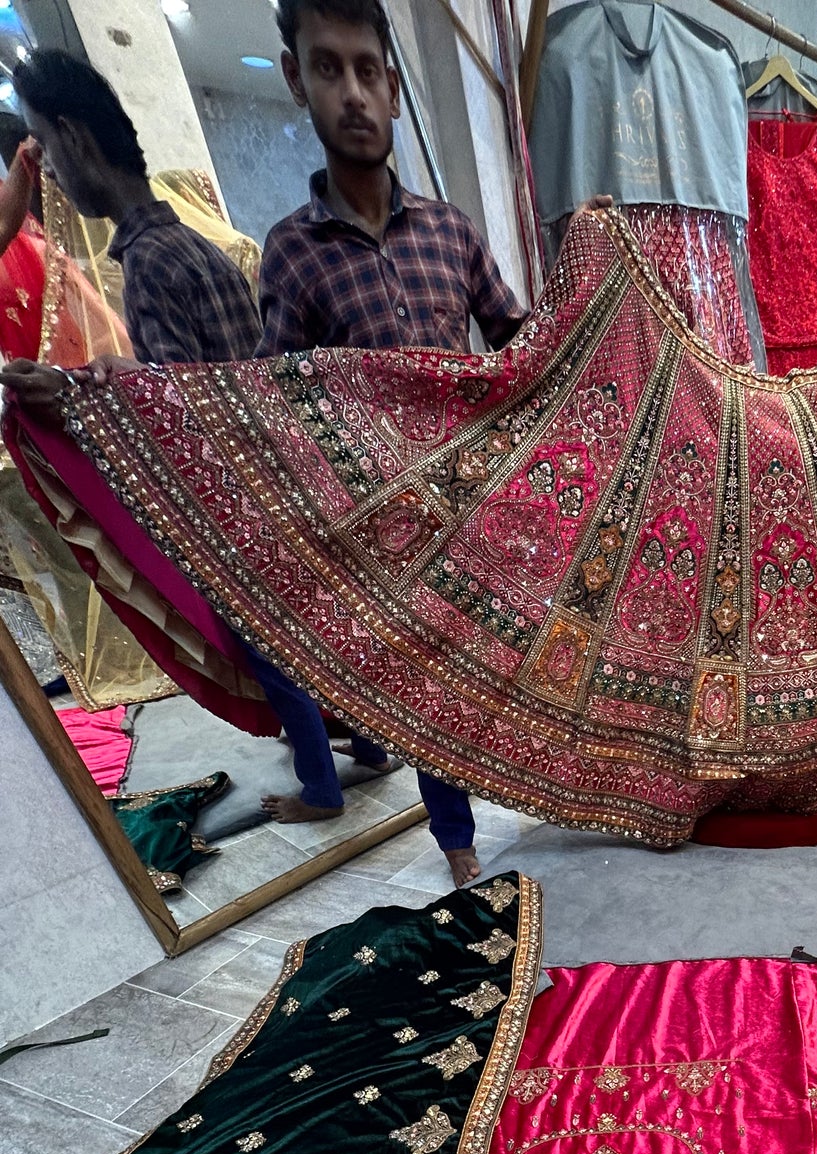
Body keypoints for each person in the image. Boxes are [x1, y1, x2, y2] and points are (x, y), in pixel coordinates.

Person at [0, 49, 395, 822]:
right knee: (305, 634)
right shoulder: (199, 248)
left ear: (75, 141)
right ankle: (372, 746)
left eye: (50, 146)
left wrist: (78, 396)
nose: (53, 178)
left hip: (230, 500)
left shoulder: (150, 264)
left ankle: (321, 790)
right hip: (275, 475)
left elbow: (174, 410)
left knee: (268, 647)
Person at [261, 0, 536, 886]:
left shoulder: (449, 231)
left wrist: (592, 271)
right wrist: (108, 389)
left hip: (478, 509)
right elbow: (274, 401)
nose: (352, 93)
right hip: (385, 535)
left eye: (367, 70)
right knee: (427, 692)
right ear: (296, 78)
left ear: (391, 86)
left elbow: (522, 344)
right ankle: (457, 843)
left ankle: (570, 786)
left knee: (535, 659)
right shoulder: (293, 254)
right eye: (327, 68)